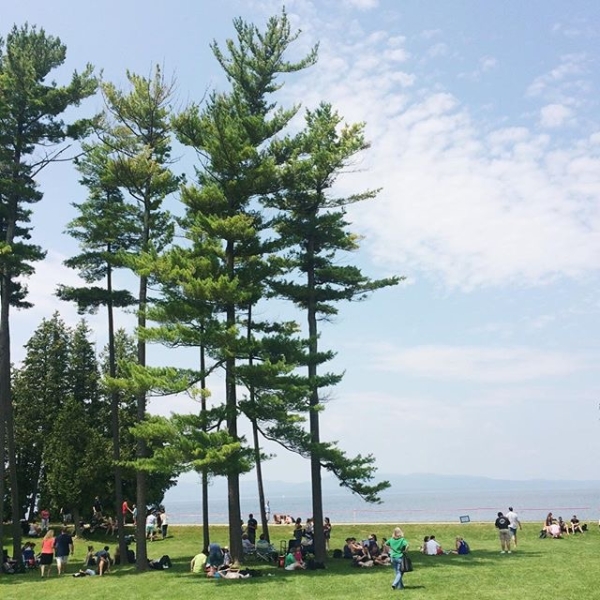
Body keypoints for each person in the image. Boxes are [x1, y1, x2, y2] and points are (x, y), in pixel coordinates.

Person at [386, 526, 409, 590]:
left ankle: (400, 587)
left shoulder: (391, 539)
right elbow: (407, 545)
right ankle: (394, 584)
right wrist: (405, 551)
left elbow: (385, 544)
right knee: (400, 572)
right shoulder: (402, 540)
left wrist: (390, 551)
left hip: (393, 557)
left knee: (397, 572)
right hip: (399, 557)